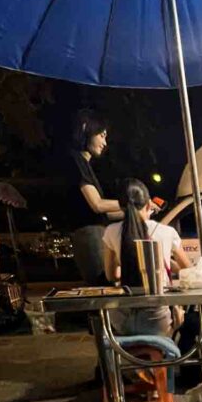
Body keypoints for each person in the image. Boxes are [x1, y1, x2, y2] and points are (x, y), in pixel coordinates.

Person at [103, 179, 190, 338]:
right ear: (149, 205)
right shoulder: (167, 232)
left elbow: (111, 275)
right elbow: (188, 270)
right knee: (185, 318)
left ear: (121, 206)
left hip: (122, 320)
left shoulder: (111, 231)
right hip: (157, 321)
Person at [67, 110, 123, 285]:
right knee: (102, 286)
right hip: (88, 235)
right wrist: (133, 203)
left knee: (106, 286)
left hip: (97, 231)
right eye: (102, 135)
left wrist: (135, 211)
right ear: (86, 129)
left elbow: (104, 214)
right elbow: (97, 205)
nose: (104, 143)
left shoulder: (85, 164)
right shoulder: (76, 162)